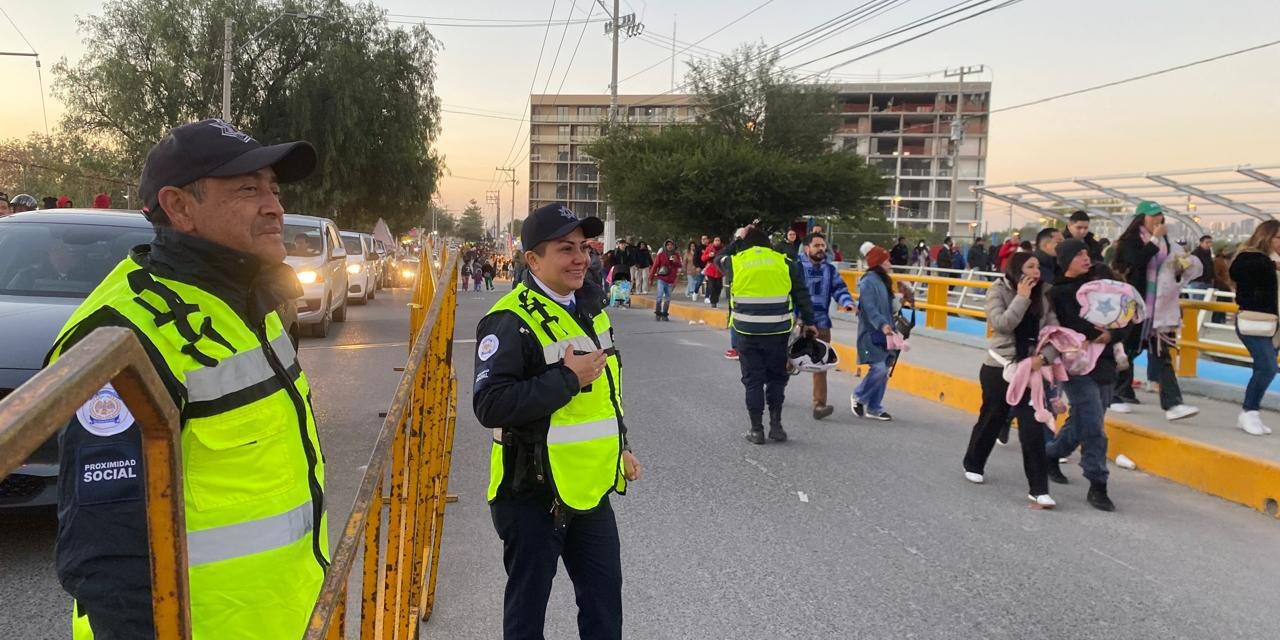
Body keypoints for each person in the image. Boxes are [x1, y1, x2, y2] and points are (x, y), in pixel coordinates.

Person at [46, 118, 327, 637]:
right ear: (179, 207)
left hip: (285, 616)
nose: (275, 206)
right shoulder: (124, 336)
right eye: (248, 190)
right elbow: (107, 557)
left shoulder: (249, 299)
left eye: (274, 188)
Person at [473, 203, 641, 640]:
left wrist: (621, 445)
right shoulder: (510, 320)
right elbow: (490, 404)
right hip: (531, 493)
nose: (580, 258)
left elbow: (607, 393)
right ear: (533, 260)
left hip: (589, 490)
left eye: (583, 247)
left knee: (604, 608)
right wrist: (566, 378)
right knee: (527, 617)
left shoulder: (593, 308)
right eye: (566, 249)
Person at [962, 252, 1059, 508]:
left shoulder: (1045, 294)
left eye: (1038, 266)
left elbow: (1054, 334)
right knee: (992, 419)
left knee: (1032, 427)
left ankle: (1038, 489)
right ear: (1017, 269)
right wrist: (1022, 298)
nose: (1036, 271)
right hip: (1000, 367)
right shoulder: (999, 290)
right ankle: (973, 462)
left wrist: (1044, 358)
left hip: (1031, 371)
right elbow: (1001, 324)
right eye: (1030, 266)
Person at [1045, 238, 1121, 511]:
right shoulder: (1056, 293)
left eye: (1086, 253)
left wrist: (1111, 335)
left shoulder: (1102, 285)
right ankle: (1098, 482)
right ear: (1066, 260)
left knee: (1086, 419)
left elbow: (1123, 316)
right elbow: (1060, 327)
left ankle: (1050, 454)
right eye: (1078, 254)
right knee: (1093, 423)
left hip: (1105, 362)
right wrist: (1089, 334)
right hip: (1076, 365)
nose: (1085, 258)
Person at [724, 227, 816, 443]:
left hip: (746, 332)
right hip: (778, 332)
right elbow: (801, 294)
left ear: (745, 243)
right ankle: (776, 426)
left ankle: (756, 430)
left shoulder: (735, 261)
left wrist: (736, 239)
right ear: (769, 244)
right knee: (776, 378)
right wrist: (810, 322)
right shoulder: (785, 262)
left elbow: (718, 256)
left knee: (753, 381)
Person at [1110, 202, 1200, 421]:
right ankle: (1114, 395)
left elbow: (1166, 267)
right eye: (1152, 216)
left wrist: (1181, 266)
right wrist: (1154, 240)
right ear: (1141, 218)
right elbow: (1137, 263)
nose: (1157, 220)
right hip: (1134, 304)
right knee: (1128, 350)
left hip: (1159, 308)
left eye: (1160, 216)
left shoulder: (1166, 242)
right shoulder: (1130, 241)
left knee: (1161, 353)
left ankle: (1173, 404)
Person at [1228, 221, 1280, 436]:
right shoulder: (1251, 258)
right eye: (1279, 238)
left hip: (1273, 326)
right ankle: (1249, 412)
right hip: (1255, 322)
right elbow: (1237, 273)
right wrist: (1271, 264)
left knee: (1264, 368)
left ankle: (1251, 412)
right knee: (1267, 367)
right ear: (1267, 237)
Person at [799, 233, 854, 420]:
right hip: (798, 322)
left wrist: (847, 302)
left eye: (823, 245)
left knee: (821, 363)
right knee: (787, 361)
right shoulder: (796, 268)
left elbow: (839, 288)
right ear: (807, 248)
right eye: (816, 245)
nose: (821, 249)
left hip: (821, 322)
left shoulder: (830, 270)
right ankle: (774, 393)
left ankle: (819, 405)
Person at [852, 246, 897, 421]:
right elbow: (870, 308)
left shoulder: (884, 280)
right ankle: (859, 396)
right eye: (887, 260)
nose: (890, 264)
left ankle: (874, 407)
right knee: (879, 368)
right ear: (878, 263)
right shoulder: (867, 282)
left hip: (886, 333)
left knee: (884, 369)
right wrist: (882, 324)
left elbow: (890, 307)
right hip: (871, 333)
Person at [650, 239, 682, 321]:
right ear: (665, 246)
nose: (669, 246)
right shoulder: (661, 255)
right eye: (668, 245)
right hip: (662, 278)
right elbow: (655, 266)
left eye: (671, 245)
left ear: (673, 246)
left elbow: (679, 265)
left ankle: (664, 314)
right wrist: (651, 277)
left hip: (671, 279)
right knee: (659, 296)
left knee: (667, 299)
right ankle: (658, 313)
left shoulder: (676, 255)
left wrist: (675, 261)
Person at [701, 237, 726, 307]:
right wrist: (709, 255)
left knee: (719, 286)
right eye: (716, 240)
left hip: (719, 270)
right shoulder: (709, 248)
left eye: (718, 240)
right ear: (713, 241)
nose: (717, 242)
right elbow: (703, 258)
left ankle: (715, 299)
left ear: (720, 242)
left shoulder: (723, 249)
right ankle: (713, 302)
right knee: (711, 286)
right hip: (711, 270)